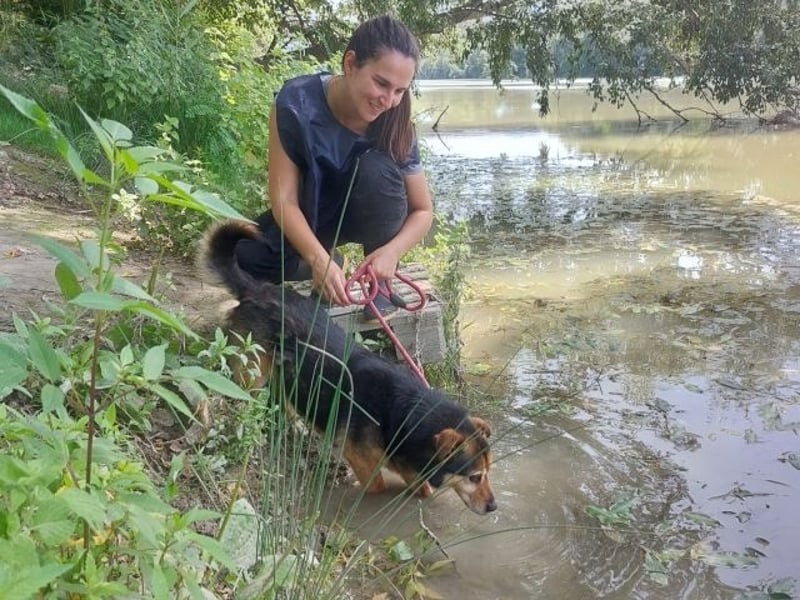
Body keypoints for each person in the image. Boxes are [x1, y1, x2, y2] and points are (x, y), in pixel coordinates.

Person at [234, 14, 434, 320]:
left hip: (366, 207)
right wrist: (318, 259)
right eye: (381, 83)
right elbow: (283, 200)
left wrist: (391, 253)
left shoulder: (396, 120)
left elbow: (423, 211)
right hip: (310, 212)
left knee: (376, 169)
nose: (388, 100)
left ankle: (378, 284)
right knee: (241, 256)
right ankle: (330, 261)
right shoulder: (294, 103)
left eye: (399, 90)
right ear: (350, 64)